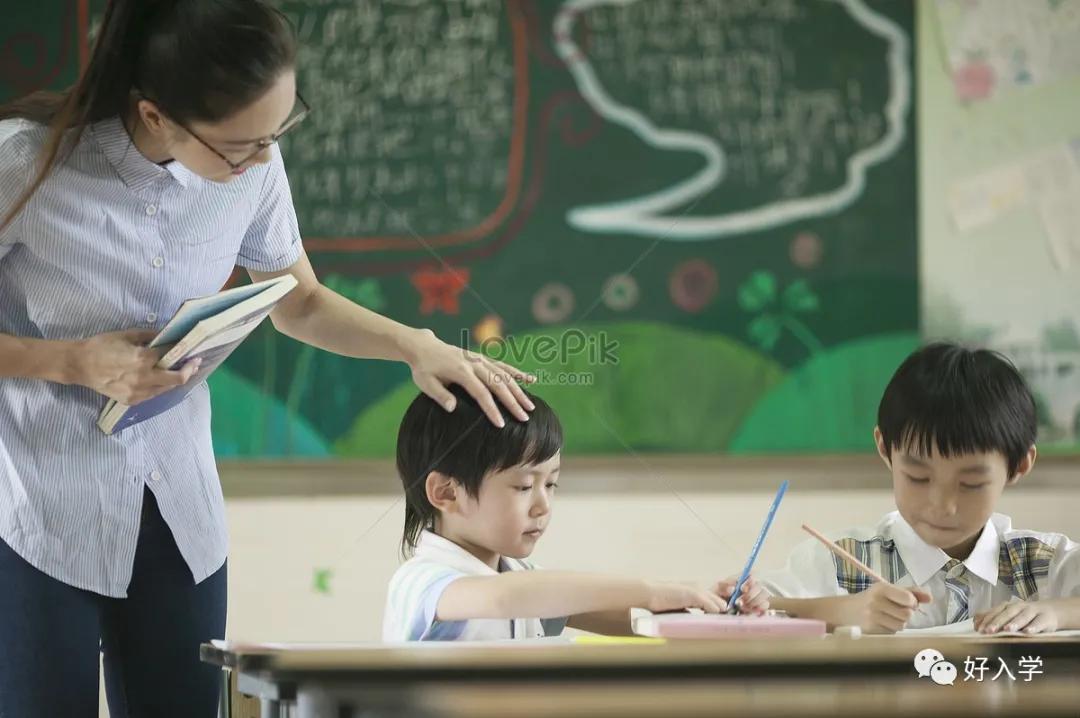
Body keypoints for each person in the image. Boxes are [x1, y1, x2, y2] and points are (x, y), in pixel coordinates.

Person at [0, 1, 533, 714]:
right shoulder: (24, 163)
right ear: (155, 115)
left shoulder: (254, 163)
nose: (260, 158)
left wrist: (415, 345)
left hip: (179, 511)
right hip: (39, 511)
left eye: (277, 132)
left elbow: (298, 301)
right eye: (238, 147)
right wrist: (73, 364)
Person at [383, 385, 769, 642]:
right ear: (446, 492)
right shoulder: (421, 581)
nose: (543, 505)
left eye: (550, 484)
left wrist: (705, 607)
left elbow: (628, 619)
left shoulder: (518, 578)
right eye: (523, 486)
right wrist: (652, 590)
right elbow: (506, 599)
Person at [763, 343, 1080, 634]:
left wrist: (1059, 613)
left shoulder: (1044, 563)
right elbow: (742, 615)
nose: (942, 505)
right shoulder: (839, 561)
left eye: (970, 483)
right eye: (918, 477)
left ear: (1019, 466)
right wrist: (843, 612)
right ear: (885, 450)